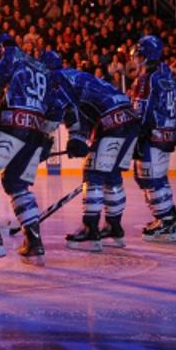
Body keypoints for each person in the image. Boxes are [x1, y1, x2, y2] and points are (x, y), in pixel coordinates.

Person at [0, 32, 52, 264]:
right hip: (35, 131)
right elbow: (53, 105)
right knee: (17, 184)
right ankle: (34, 241)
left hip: (13, 123)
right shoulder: (42, 68)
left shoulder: (6, 53)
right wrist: (47, 135)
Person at [42, 49, 140, 252]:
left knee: (93, 173)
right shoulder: (74, 76)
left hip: (112, 121)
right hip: (128, 118)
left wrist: (74, 138)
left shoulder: (55, 79)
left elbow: (70, 110)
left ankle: (90, 230)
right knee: (111, 175)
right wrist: (78, 138)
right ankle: (114, 227)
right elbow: (84, 111)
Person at [129, 35, 176, 242]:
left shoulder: (147, 78)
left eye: (140, 55)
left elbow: (142, 110)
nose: (137, 59)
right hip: (167, 133)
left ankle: (166, 223)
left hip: (151, 134)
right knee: (159, 178)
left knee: (148, 178)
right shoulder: (166, 73)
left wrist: (135, 133)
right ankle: (170, 218)